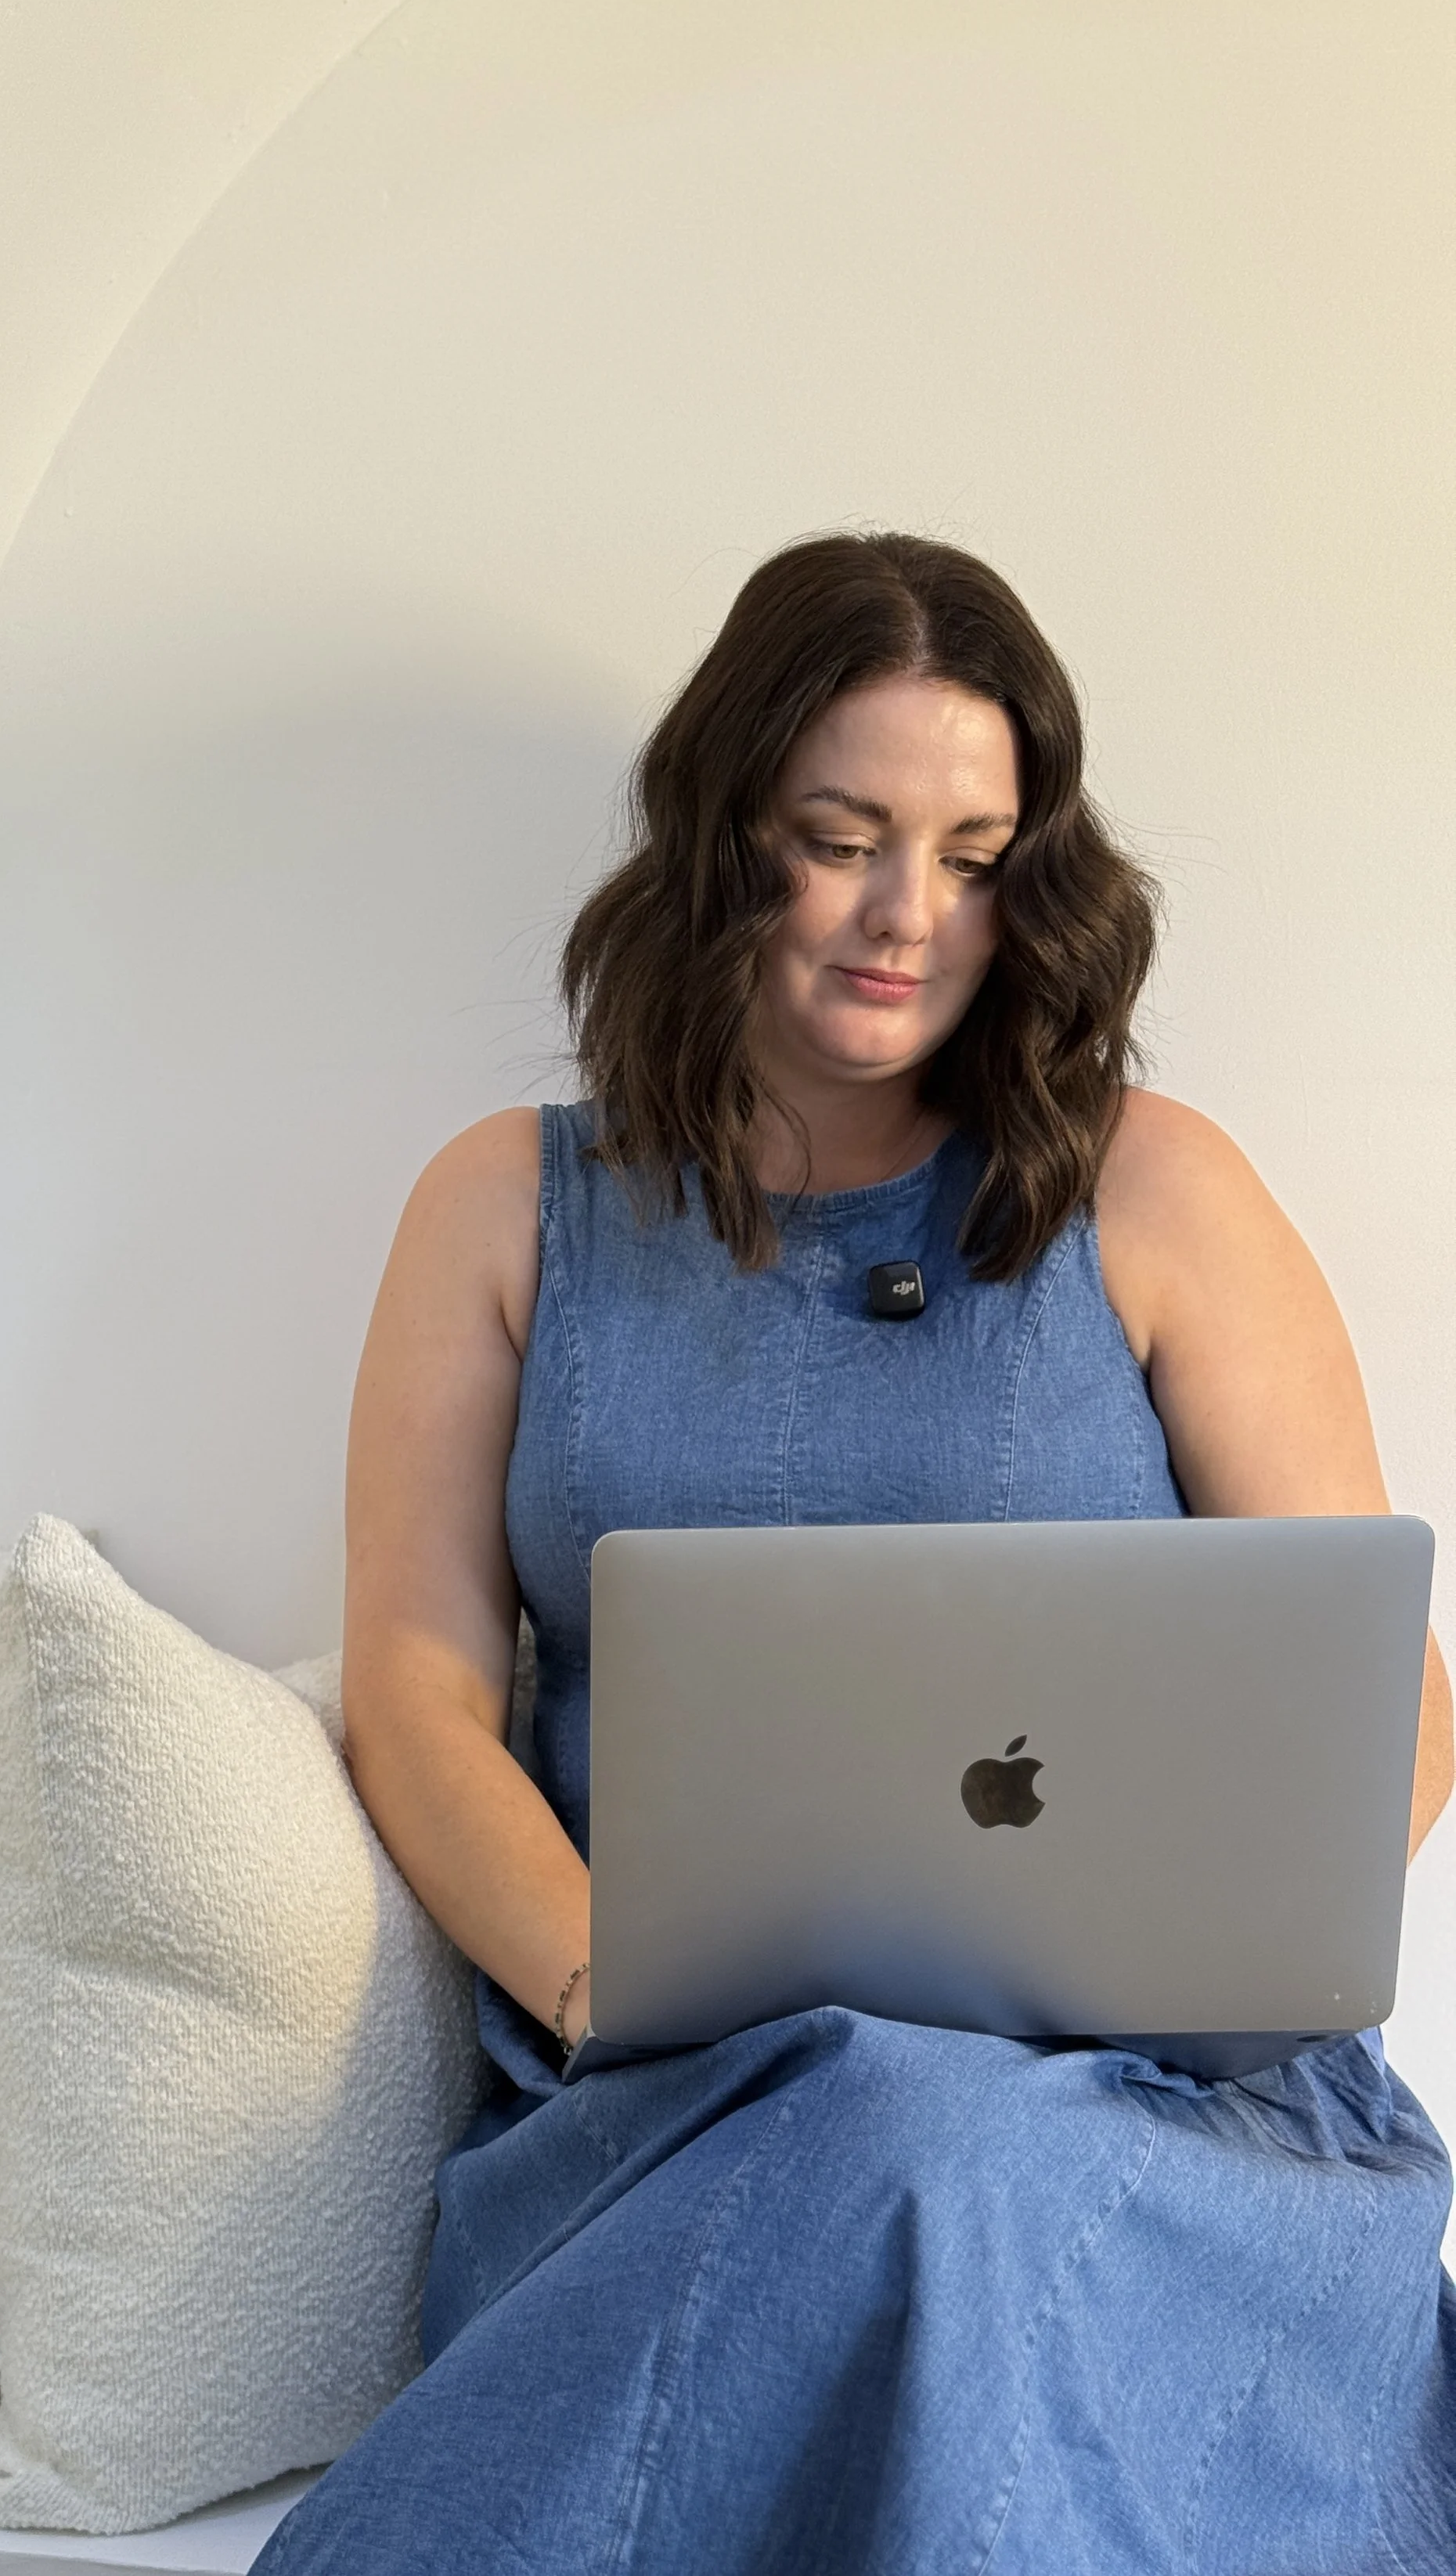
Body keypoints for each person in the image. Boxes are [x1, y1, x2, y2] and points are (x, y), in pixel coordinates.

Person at [253, 533, 1456, 2572]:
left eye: (978, 853)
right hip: (681, 2096)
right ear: (720, 833)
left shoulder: (1158, 1194)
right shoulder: (503, 1209)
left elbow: (1384, 1687)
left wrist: (1192, 1968)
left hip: (1149, 2119)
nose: (913, 915)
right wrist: (591, 1972)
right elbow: (415, 1683)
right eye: (843, 836)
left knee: (946, 2157)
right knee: (893, 2146)